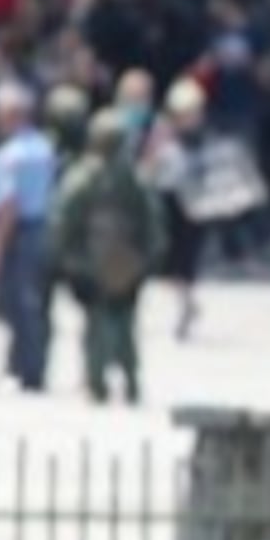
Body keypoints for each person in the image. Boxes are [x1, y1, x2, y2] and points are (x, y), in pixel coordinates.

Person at [50, 111, 168, 406]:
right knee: (126, 324)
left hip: (91, 261)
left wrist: (67, 259)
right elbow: (153, 222)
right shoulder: (134, 178)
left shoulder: (82, 178)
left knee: (96, 325)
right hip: (127, 261)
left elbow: (64, 220)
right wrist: (147, 259)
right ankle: (130, 381)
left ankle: (97, 382)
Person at [0, 87, 61, 394]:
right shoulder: (44, 148)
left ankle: (27, 371)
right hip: (43, 230)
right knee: (38, 304)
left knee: (20, 305)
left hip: (19, 233)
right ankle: (32, 367)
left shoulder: (11, 155)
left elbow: (7, 206)